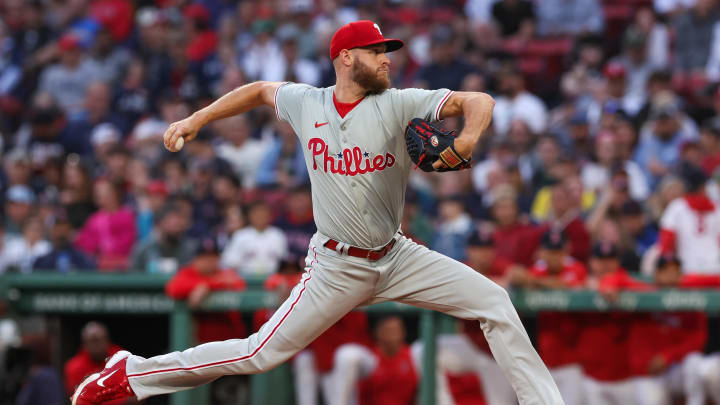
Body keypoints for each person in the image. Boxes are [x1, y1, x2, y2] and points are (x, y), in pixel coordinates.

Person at [72, 20, 564, 405]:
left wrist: (468, 137)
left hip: (398, 257)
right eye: (377, 52)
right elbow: (261, 89)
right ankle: (132, 372)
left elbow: (478, 100)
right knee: (259, 354)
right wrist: (197, 118)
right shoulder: (307, 102)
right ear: (347, 58)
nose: (387, 60)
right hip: (336, 265)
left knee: (494, 302)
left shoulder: (398, 103)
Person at [528, 230, 587, 405]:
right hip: (543, 362)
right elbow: (523, 278)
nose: (554, 257)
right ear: (541, 252)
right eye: (550, 251)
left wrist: (536, 282)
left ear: (566, 251)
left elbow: (569, 283)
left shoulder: (577, 268)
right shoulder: (537, 270)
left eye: (558, 252)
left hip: (573, 362)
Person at [165, 237, 247, 343]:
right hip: (199, 343)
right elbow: (173, 288)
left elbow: (239, 284)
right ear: (196, 259)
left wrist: (207, 286)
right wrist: (207, 285)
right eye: (204, 257)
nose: (209, 261)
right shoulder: (189, 273)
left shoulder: (225, 273)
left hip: (229, 342)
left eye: (213, 257)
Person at [330, 316, 419, 405]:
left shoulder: (412, 355)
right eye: (389, 330)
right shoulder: (369, 359)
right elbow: (349, 356)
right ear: (378, 333)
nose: (394, 334)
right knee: (346, 354)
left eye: (397, 330)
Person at [64, 322, 123, 397]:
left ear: (107, 341)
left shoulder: (120, 358)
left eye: (99, 340)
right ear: (84, 344)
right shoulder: (74, 366)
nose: (96, 345)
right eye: (92, 341)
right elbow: (77, 397)